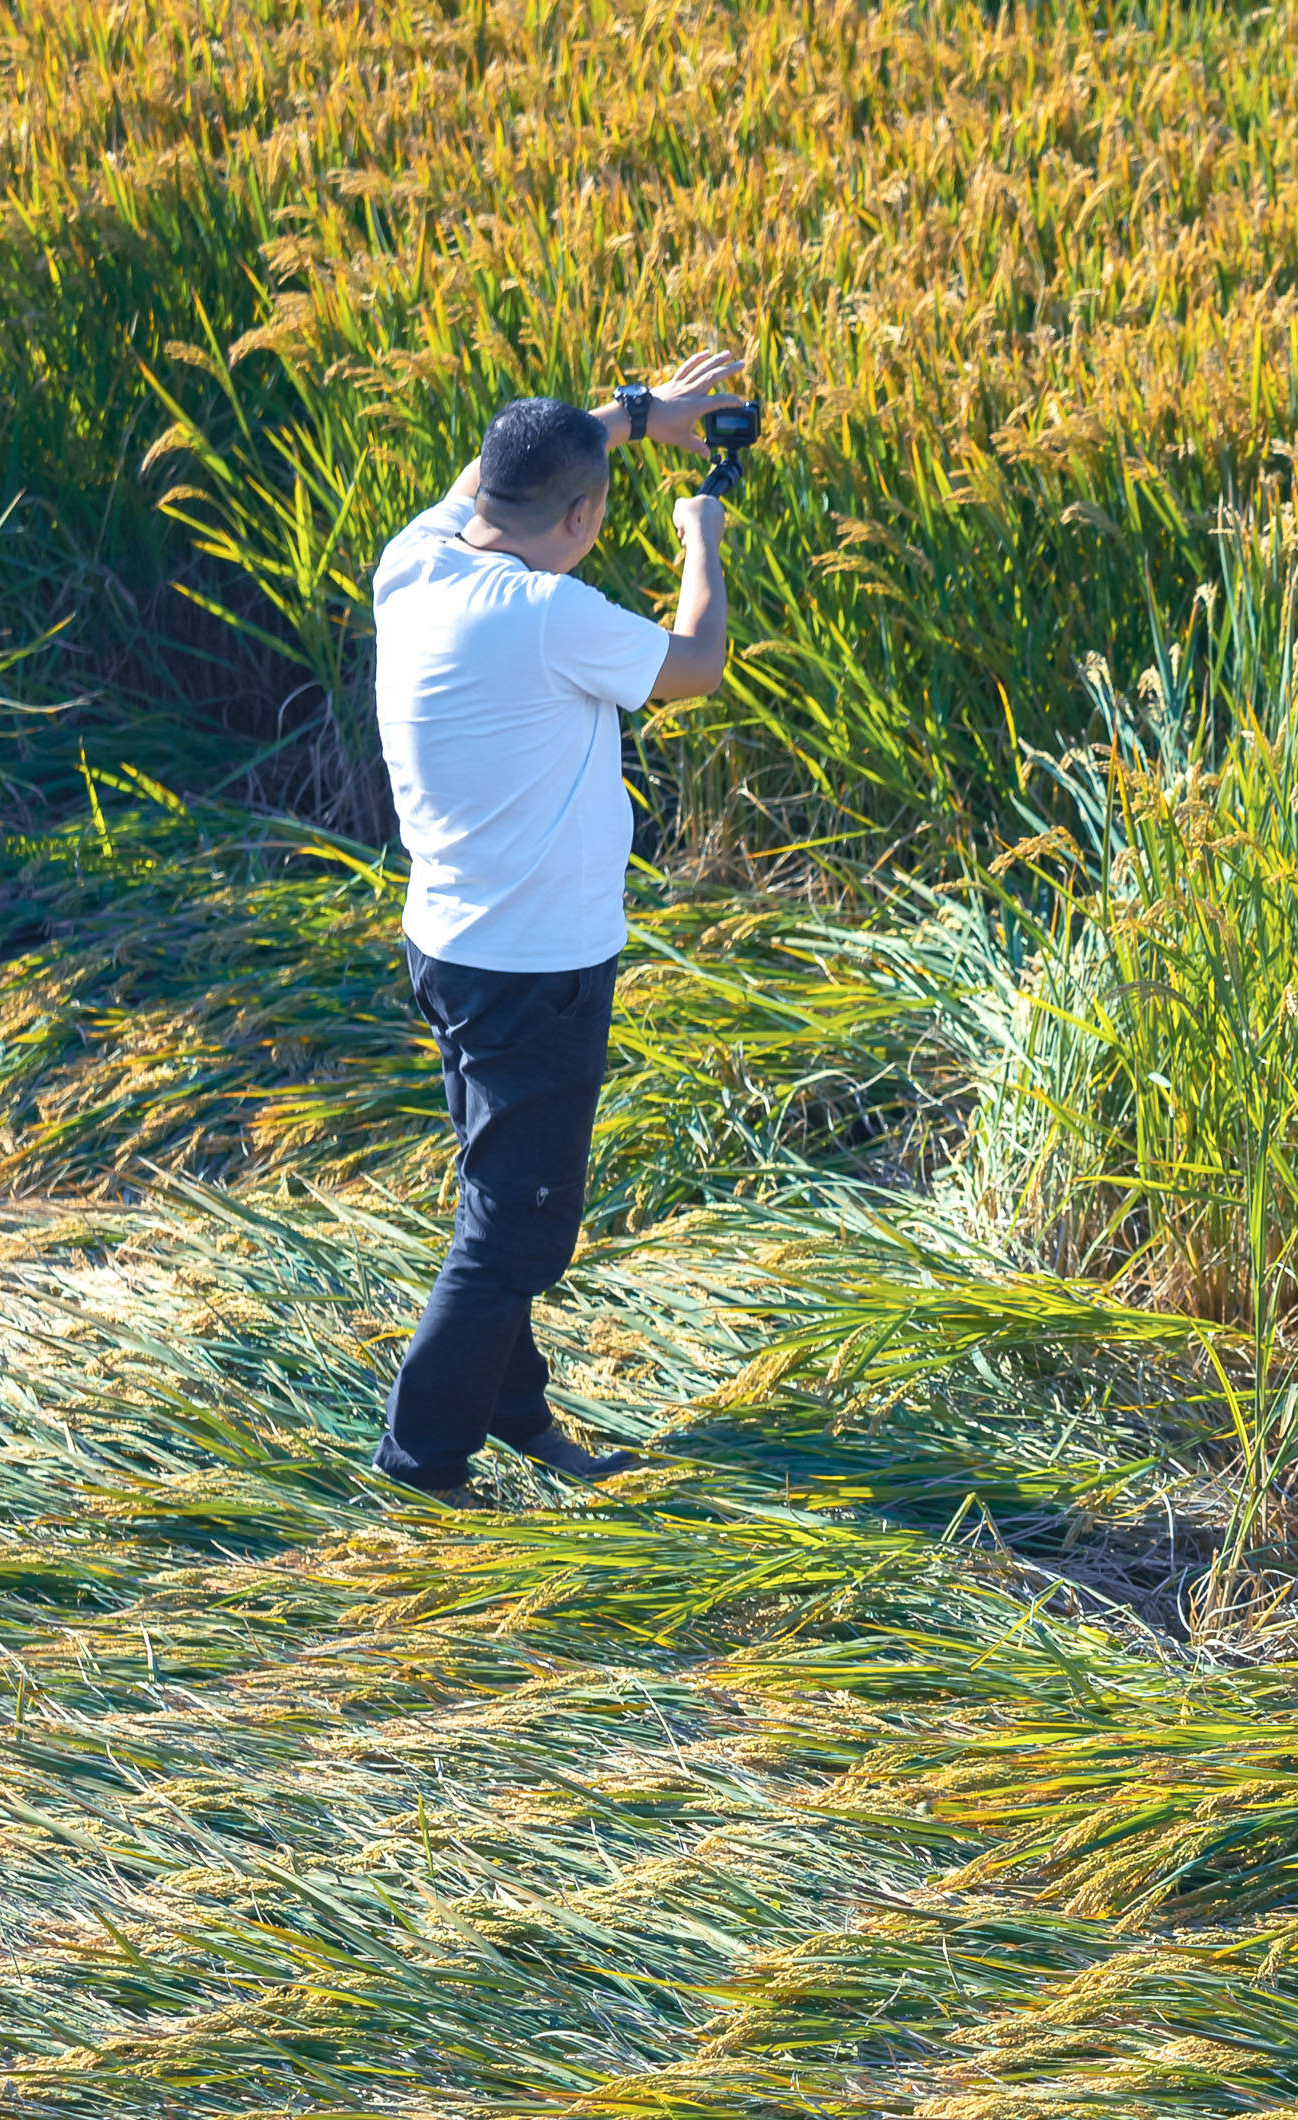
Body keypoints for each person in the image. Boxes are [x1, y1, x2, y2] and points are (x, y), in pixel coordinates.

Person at [369, 346, 749, 1507]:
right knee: (519, 1236)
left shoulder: (418, 558)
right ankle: (421, 1469)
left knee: (498, 1192)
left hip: (452, 946)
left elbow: (529, 456)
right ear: (582, 520)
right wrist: (701, 540)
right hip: (535, 974)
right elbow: (695, 665)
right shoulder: (547, 614)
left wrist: (637, 417)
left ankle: (515, 1411)